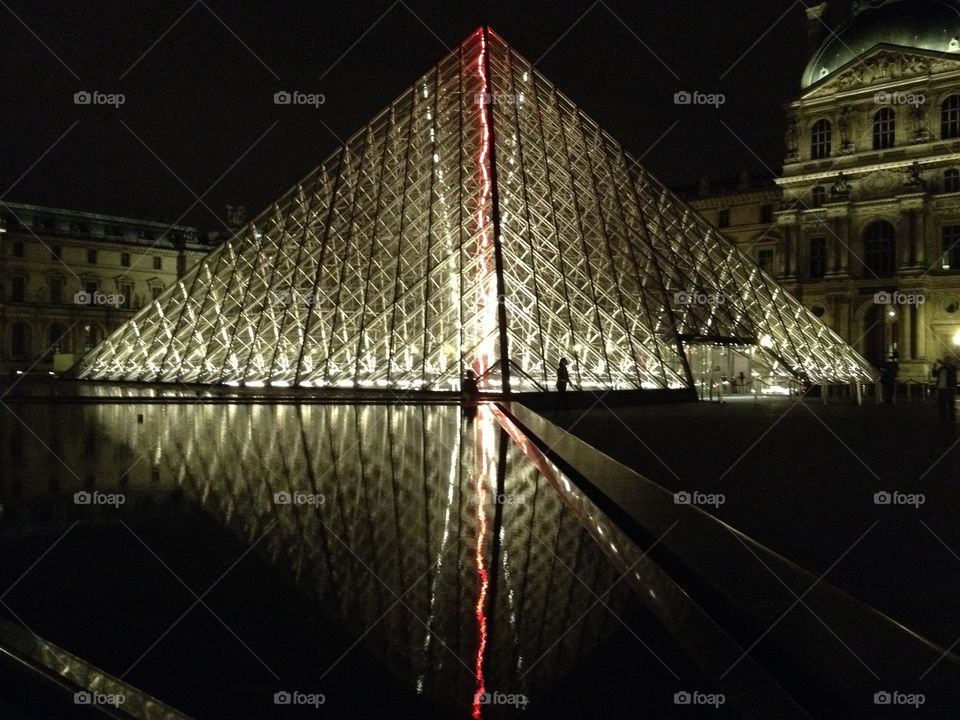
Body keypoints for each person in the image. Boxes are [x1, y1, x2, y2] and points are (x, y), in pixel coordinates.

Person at [932, 354, 957, 424]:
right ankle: (942, 418)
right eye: (944, 360)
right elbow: (934, 374)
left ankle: (952, 419)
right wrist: (934, 367)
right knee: (941, 404)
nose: (945, 361)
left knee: (951, 404)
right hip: (941, 388)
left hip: (949, 388)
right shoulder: (941, 368)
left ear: (949, 361)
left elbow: (949, 370)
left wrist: (942, 364)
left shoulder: (952, 367)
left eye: (946, 360)